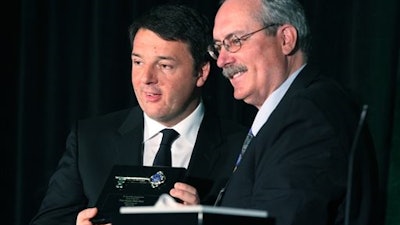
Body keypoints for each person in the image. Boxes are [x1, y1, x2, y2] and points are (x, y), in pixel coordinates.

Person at [29, 4, 247, 225]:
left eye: (164, 65)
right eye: (138, 62)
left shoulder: (243, 147)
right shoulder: (90, 140)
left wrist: (202, 222)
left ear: (201, 72)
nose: (146, 78)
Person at [204, 0, 379, 225]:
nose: (221, 60)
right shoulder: (291, 112)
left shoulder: (306, 117)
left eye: (235, 41)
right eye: (219, 47)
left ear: (286, 39)